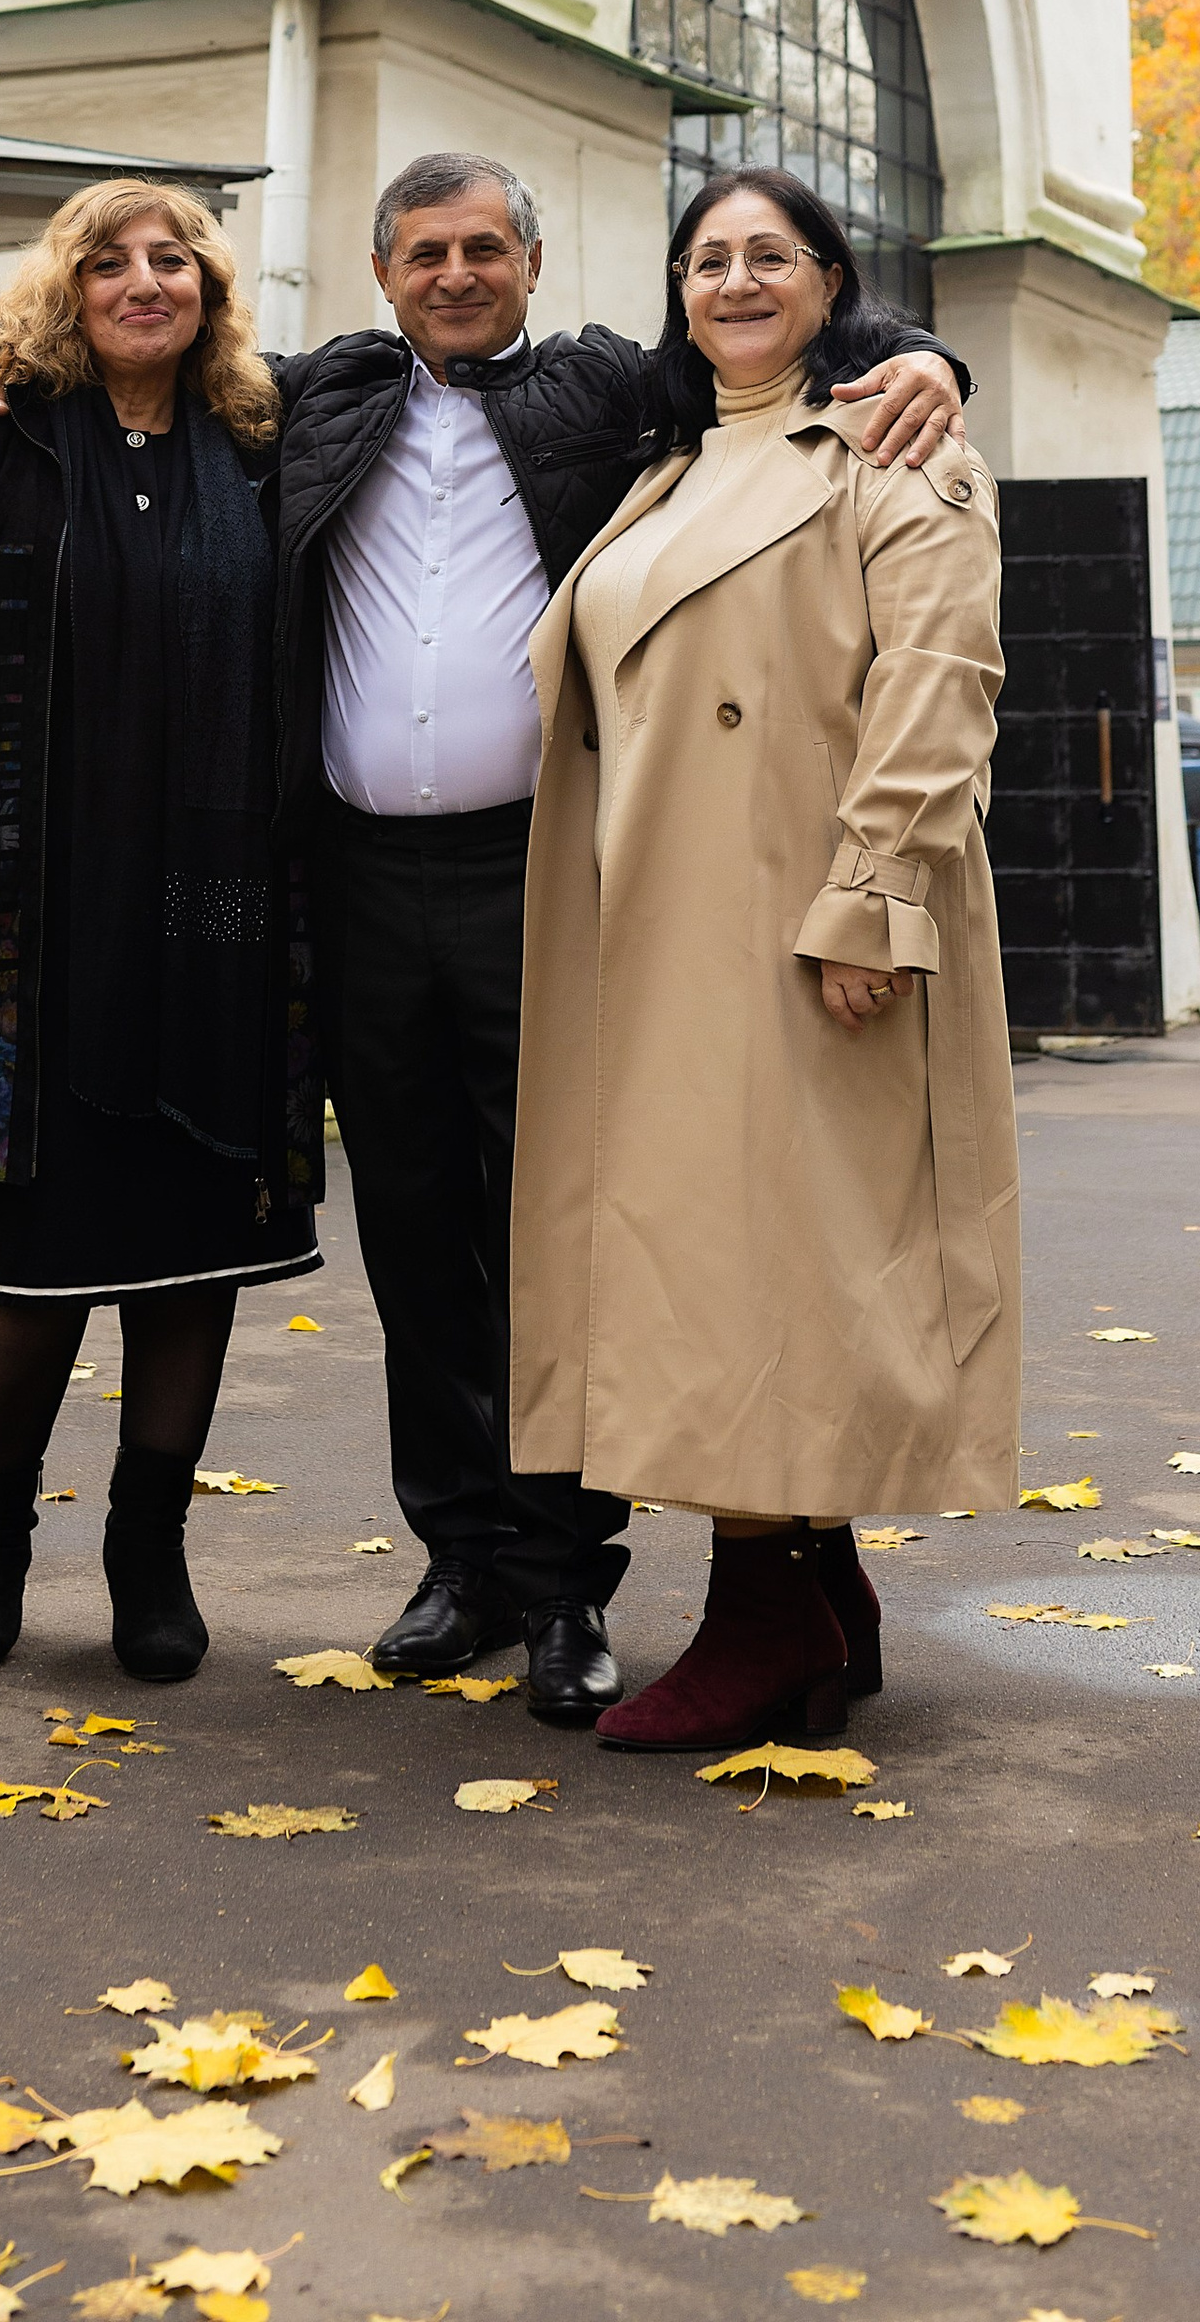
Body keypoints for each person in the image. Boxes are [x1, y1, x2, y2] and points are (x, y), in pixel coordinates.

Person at [0, 149, 970, 1727]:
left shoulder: (616, 391)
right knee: (415, 1235)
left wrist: (926, 359)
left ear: (534, 269)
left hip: (542, 877)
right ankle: (462, 1559)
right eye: (425, 252)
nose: (457, 274)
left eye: (486, 248)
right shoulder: (314, 400)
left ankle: (564, 1587)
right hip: (345, 880)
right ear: (383, 270)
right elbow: (133, 339)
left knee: (556, 1231)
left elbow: (775, 348)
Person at [506, 167, 1016, 1753]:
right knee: (717, 1252)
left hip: (805, 920)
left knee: (762, 1259)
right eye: (707, 258)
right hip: (655, 923)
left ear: (830, 282)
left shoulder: (896, 447)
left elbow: (942, 682)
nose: (734, 280)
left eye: (769, 256)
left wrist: (873, 901)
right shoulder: (662, 469)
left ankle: (757, 1606)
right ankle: (818, 1582)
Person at [0, 179, 317, 1689]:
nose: (144, 282)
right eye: (110, 262)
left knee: (192, 1240)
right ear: (63, 290)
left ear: (212, 288)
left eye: (172, 260)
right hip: (41, 899)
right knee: (36, 1235)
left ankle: (148, 1550)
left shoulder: (263, 443)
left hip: (219, 913)